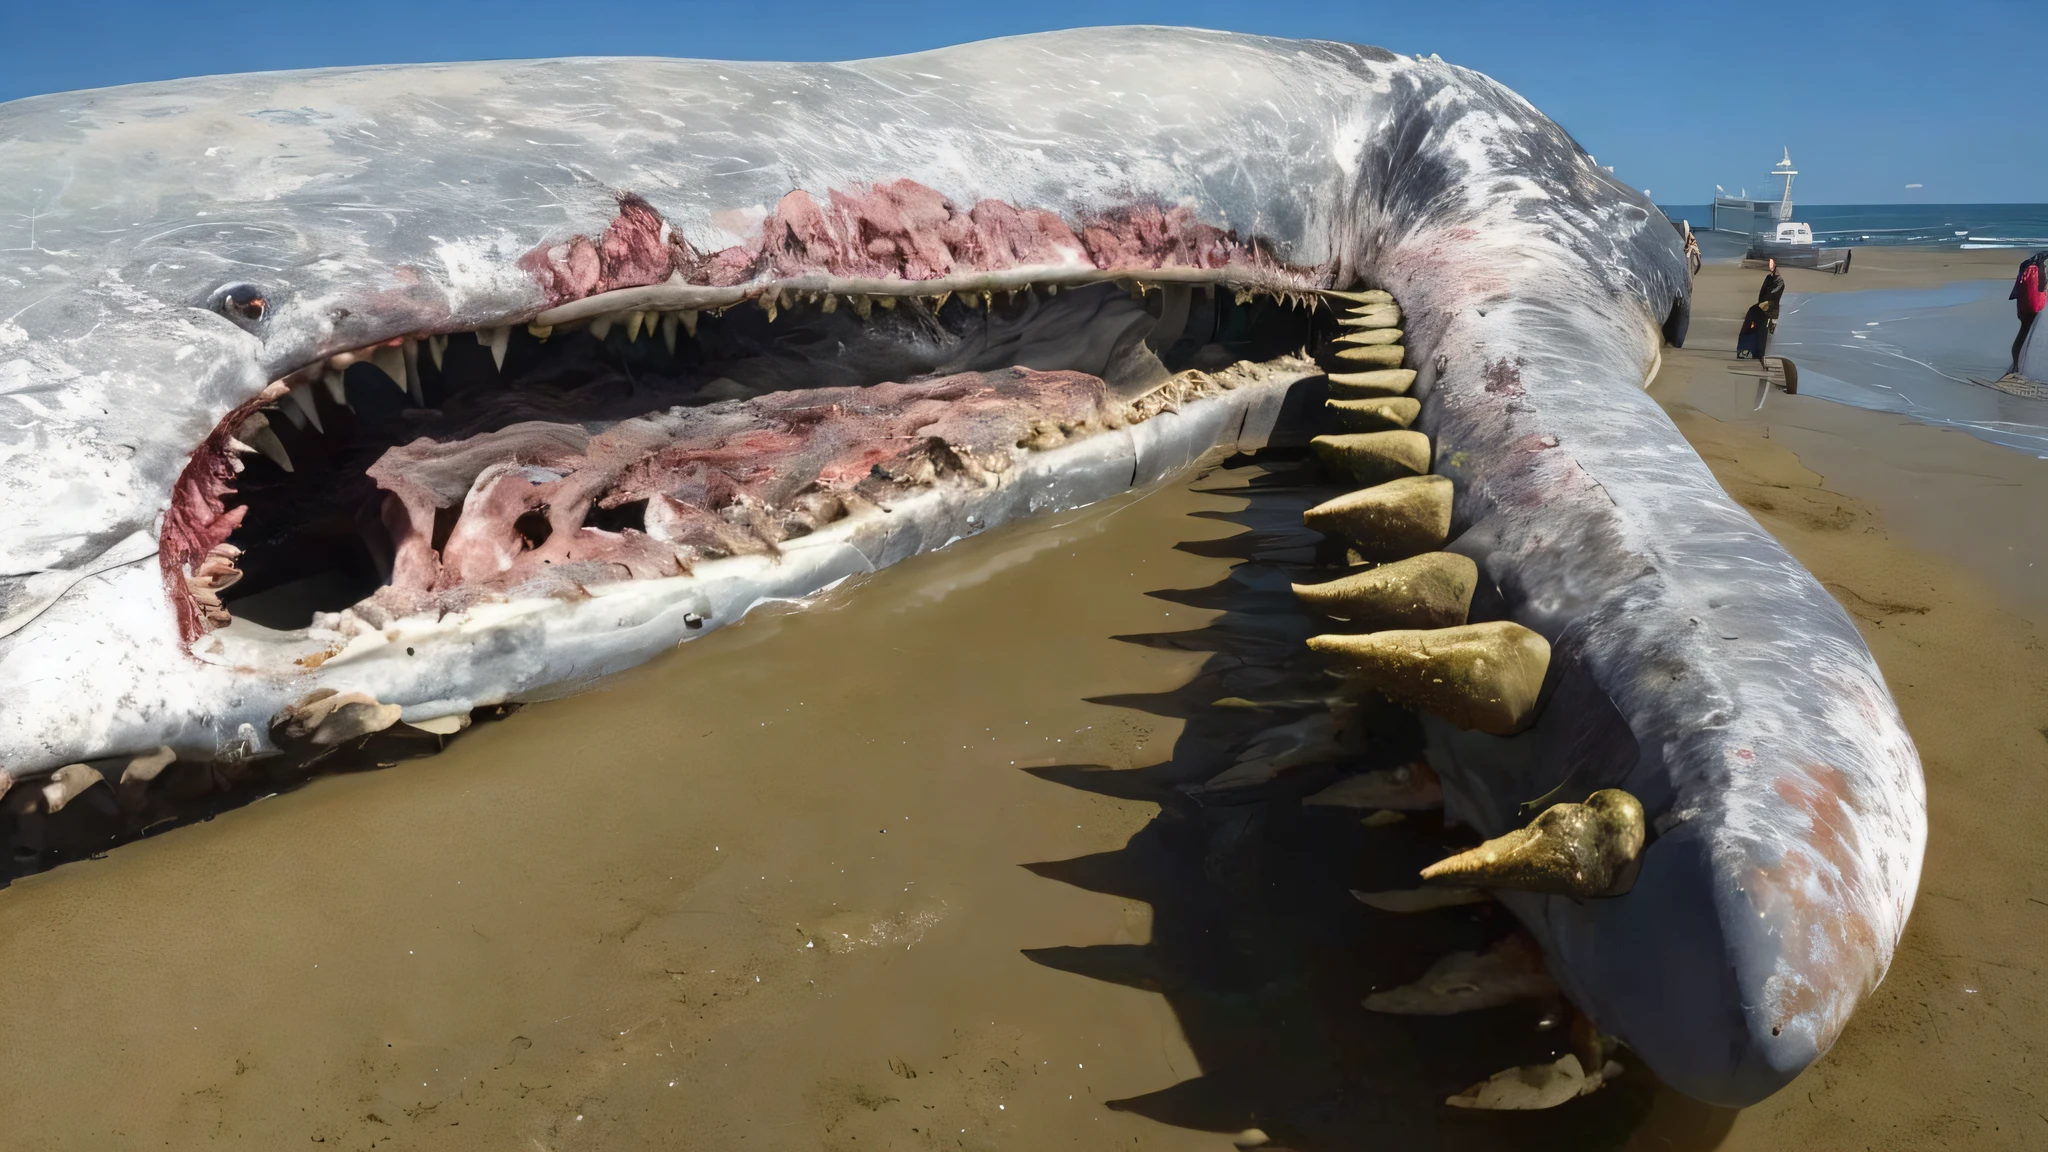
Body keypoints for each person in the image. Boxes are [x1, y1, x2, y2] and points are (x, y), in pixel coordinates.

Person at [2011, 251, 2046, 373]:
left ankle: (2016, 366)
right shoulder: (2043, 262)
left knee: (2023, 332)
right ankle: (2018, 367)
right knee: (2026, 333)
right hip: (2035, 303)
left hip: (2025, 302)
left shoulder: (2035, 260)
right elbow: (2041, 286)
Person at [1757, 258, 1786, 333]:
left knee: (1771, 315)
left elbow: (1776, 291)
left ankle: (1771, 326)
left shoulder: (1779, 280)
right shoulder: (1769, 277)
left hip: (1771, 302)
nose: (1770, 265)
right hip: (1768, 302)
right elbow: (1764, 290)